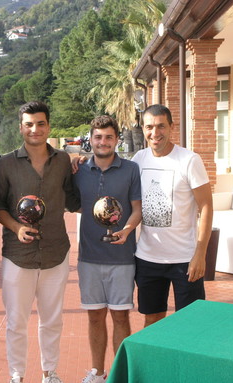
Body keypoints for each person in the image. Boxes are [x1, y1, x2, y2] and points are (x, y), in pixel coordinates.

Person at [0, 101, 78, 383]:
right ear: (21, 128)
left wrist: (87, 166)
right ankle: (17, 375)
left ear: (49, 127)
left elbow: (72, 196)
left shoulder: (64, 160)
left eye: (40, 123)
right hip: (18, 254)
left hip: (56, 251)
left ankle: (49, 372)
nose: (35, 129)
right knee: (17, 322)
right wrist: (16, 227)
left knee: (52, 320)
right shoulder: (5, 163)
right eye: (29, 124)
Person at [73, 115, 141, 383]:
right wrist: (71, 160)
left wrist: (127, 229)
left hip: (122, 257)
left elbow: (137, 209)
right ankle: (97, 373)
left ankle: (119, 375)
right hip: (89, 257)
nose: (103, 142)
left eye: (109, 137)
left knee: (121, 316)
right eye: (98, 137)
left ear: (116, 140)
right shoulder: (78, 171)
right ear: (91, 139)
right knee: (94, 317)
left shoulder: (131, 169)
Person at [132, 104, 213, 327]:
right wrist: (81, 162)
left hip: (185, 260)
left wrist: (200, 253)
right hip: (148, 258)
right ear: (143, 128)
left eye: (161, 126)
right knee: (153, 319)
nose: (155, 133)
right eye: (149, 126)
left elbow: (206, 206)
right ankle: (154, 363)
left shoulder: (189, 160)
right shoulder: (138, 159)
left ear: (171, 127)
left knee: (190, 323)